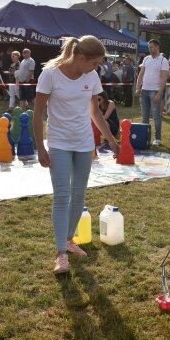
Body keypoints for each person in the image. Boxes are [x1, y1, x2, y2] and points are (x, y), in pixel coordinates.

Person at [34, 36, 120, 274]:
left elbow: (94, 111)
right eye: (94, 63)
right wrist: (40, 147)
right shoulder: (50, 74)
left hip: (84, 143)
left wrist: (111, 139)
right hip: (59, 143)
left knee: (79, 195)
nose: (96, 69)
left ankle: (69, 241)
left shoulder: (91, 76)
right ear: (80, 57)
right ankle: (61, 253)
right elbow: (39, 111)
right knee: (62, 196)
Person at [135, 39, 168, 145]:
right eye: (149, 47)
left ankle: (157, 138)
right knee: (144, 116)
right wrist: (137, 88)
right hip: (144, 90)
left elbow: (164, 79)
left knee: (156, 116)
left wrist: (159, 93)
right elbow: (141, 74)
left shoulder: (163, 60)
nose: (149, 49)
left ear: (157, 47)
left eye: (151, 47)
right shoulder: (146, 59)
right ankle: (144, 137)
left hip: (155, 91)